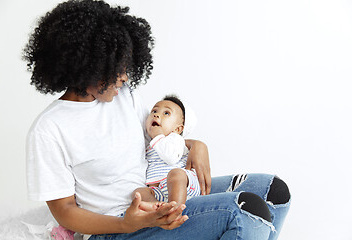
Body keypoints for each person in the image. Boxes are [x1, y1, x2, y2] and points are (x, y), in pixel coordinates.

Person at [23, 0, 291, 239]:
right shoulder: (50, 129)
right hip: (115, 228)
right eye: (117, 70)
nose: (125, 78)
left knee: (273, 192)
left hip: (159, 194)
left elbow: (156, 137)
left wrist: (195, 145)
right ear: (86, 66)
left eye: (126, 68)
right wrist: (126, 225)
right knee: (246, 211)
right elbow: (65, 212)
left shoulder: (123, 96)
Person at [133, 95, 200, 206]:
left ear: (178, 129)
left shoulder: (176, 139)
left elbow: (170, 157)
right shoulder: (150, 144)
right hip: (159, 191)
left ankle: (175, 210)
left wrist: (158, 136)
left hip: (183, 185)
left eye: (166, 113)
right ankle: (160, 210)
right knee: (138, 192)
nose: (156, 114)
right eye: (154, 111)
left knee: (176, 174)